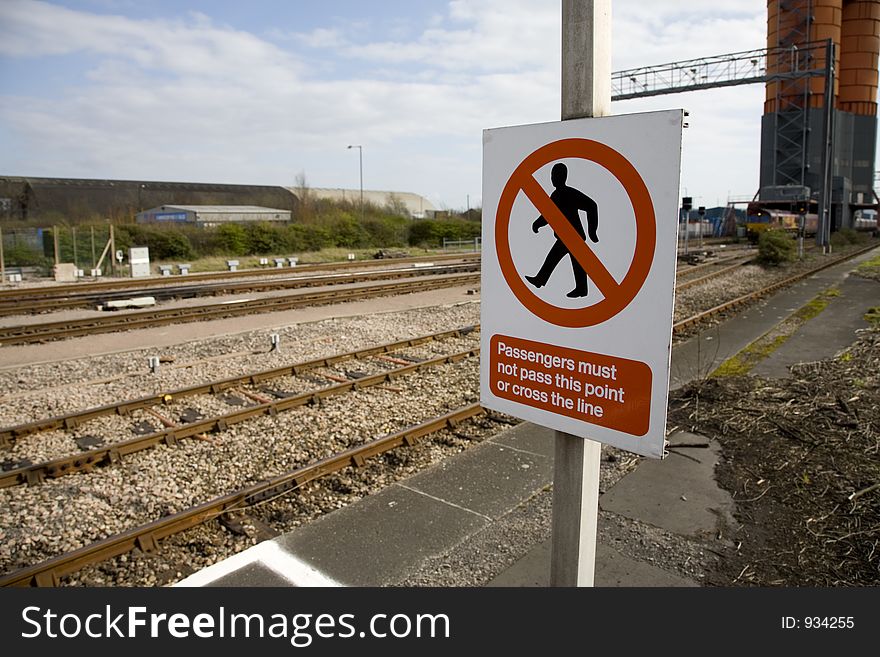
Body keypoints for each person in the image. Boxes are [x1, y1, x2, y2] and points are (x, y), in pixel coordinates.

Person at [525, 162, 599, 298]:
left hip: (573, 236)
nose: (552, 178)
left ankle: (541, 280)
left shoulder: (569, 193)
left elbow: (592, 205)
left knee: (562, 260)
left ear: (562, 176)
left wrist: (592, 231)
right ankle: (543, 280)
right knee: (571, 262)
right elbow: (548, 214)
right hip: (565, 236)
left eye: (555, 175)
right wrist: (537, 224)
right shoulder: (556, 194)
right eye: (552, 175)